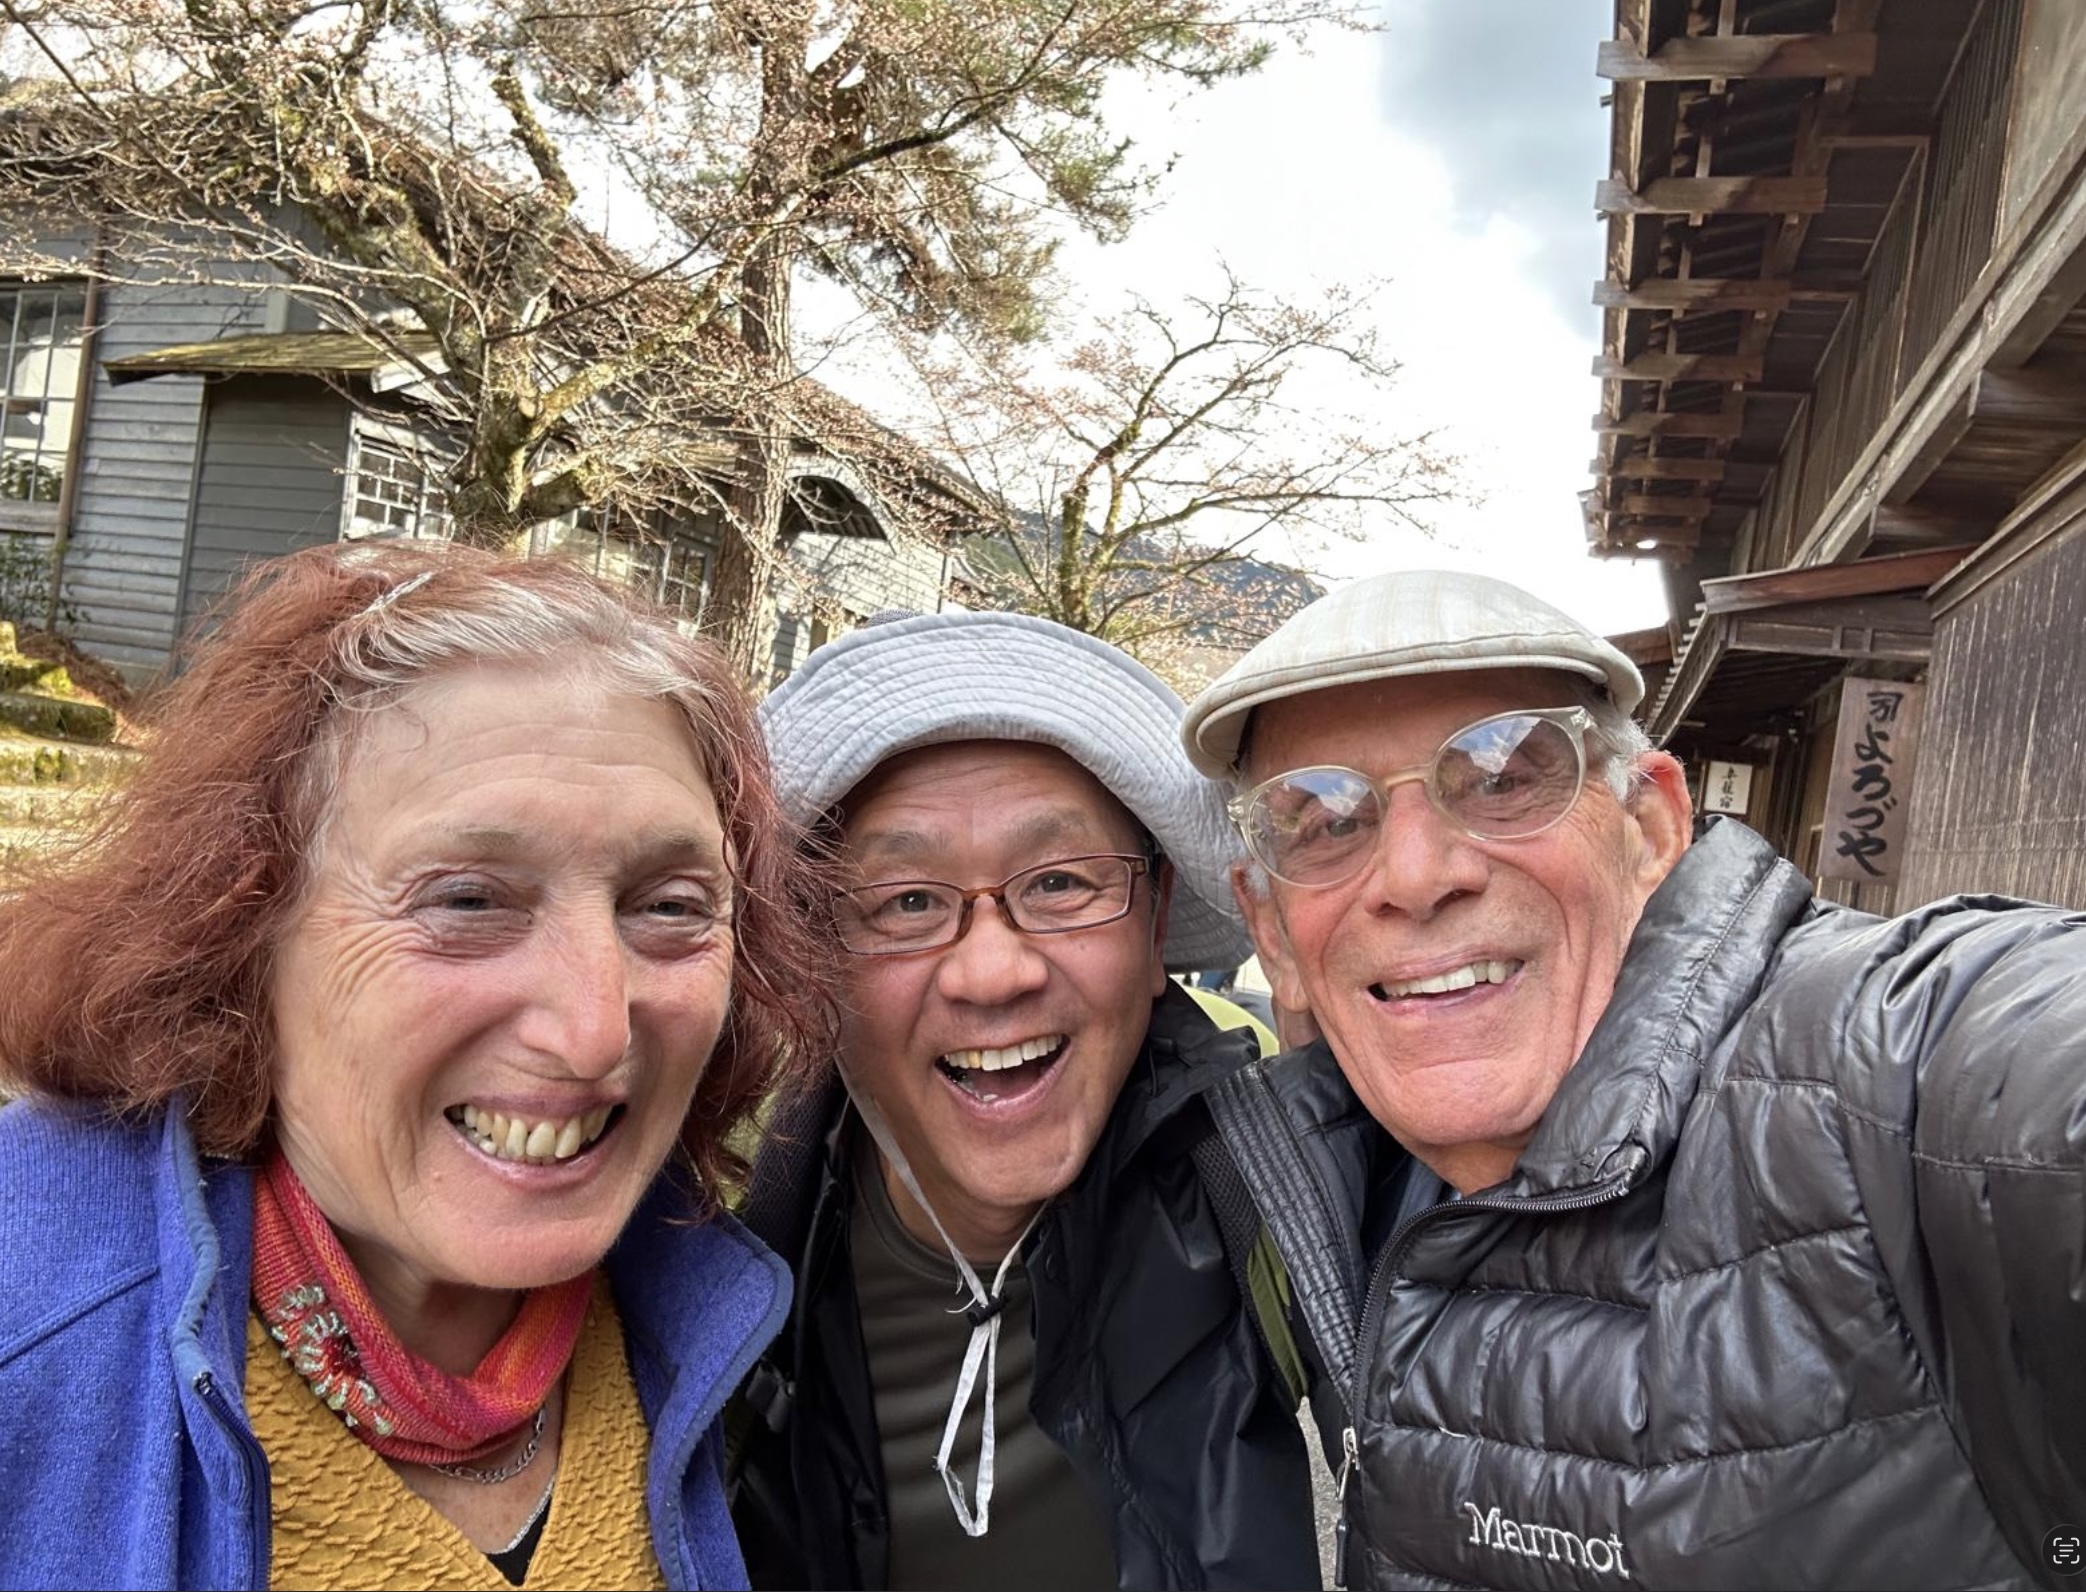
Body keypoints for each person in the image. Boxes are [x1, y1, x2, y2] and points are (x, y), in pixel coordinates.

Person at [1180, 568, 2086, 1590]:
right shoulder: (1312, 1171)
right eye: (1325, 818)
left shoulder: (1880, 1062)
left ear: (1650, 827)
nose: (1416, 875)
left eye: (1502, 776)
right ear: (1271, 931)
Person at [0, 544, 834, 1589]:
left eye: (668, 905)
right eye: (468, 900)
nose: (593, 1029)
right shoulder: (28, 1317)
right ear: (238, 929)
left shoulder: (717, 1322)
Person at [728, 612, 1319, 1592]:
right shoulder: (717, 1231)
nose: (991, 969)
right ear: (816, 945)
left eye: (1059, 881)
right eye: (906, 900)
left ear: (1158, 911)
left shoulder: (1276, 1170)